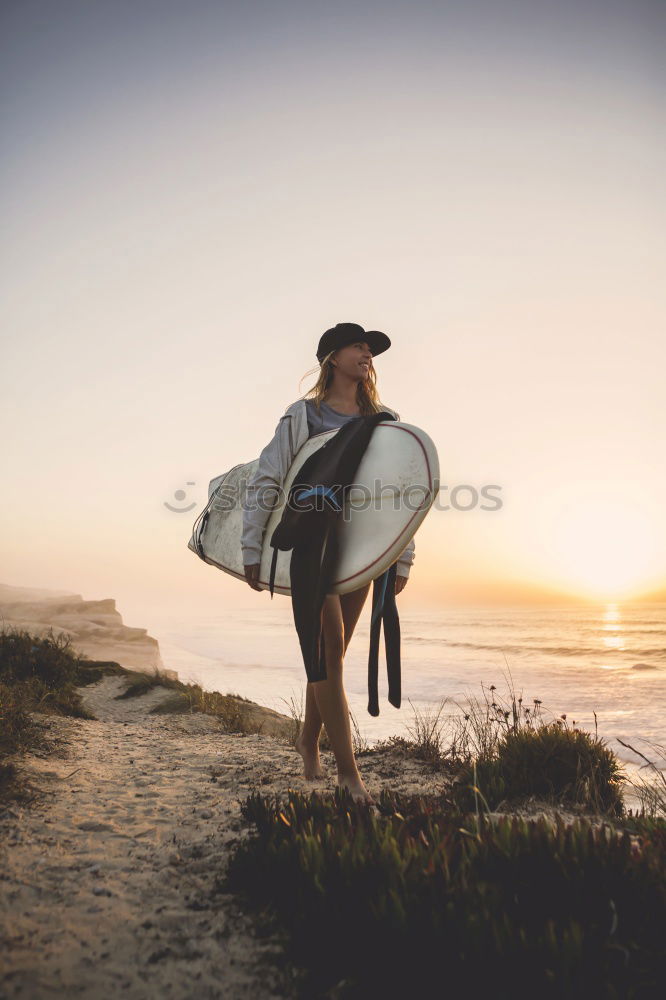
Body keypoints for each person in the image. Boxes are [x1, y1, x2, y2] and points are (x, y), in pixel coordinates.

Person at [241, 322, 415, 805]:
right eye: (359, 346)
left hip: (361, 548)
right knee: (330, 643)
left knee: (330, 657)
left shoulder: (385, 420)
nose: (367, 354)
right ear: (332, 357)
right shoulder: (304, 416)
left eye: (370, 350)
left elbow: (400, 495)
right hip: (313, 544)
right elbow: (267, 478)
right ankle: (348, 774)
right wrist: (252, 547)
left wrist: (402, 558)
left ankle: (306, 740)